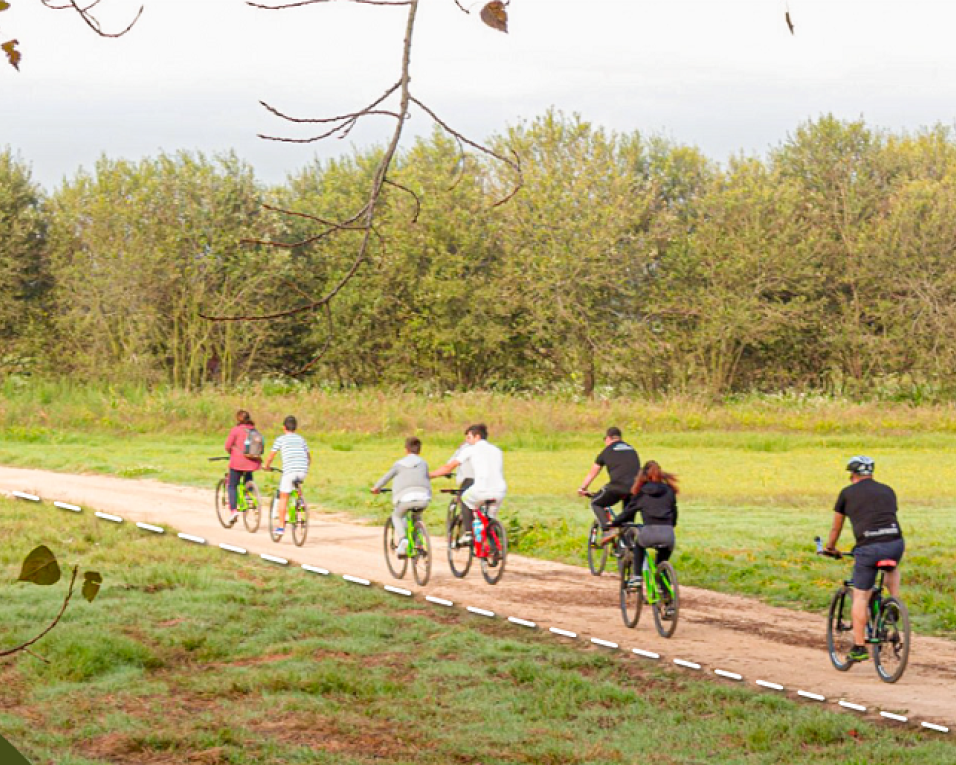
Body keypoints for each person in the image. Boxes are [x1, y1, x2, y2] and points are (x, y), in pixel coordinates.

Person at [824, 455, 905, 663]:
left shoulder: (846, 494)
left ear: (852, 474)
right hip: (895, 543)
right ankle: (893, 603)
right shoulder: (888, 490)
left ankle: (859, 647)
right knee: (891, 567)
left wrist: (830, 548)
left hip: (868, 548)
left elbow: (836, 527)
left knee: (860, 597)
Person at [602, 461, 678, 590]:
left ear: (642, 476)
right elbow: (674, 512)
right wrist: (671, 524)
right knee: (661, 564)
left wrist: (614, 523)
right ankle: (667, 599)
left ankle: (637, 577)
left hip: (649, 532)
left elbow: (628, 512)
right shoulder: (669, 491)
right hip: (668, 534)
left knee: (638, 546)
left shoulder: (642, 493)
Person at [430, 423, 506, 543]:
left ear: (477, 437)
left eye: (469, 437)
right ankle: (494, 546)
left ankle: (468, 533)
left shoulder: (470, 450)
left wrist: (430, 475)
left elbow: (448, 467)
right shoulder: (497, 450)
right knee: (489, 519)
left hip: (481, 489)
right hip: (500, 491)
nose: (467, 441)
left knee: (464, 498)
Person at [371, 436, 432, 558]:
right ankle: (419, 545)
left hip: (405, 498)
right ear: (419, 450)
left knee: (397, 515)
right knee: (417, 517)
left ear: (406, 450)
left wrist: (376, 488)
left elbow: (386, 477)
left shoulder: (398, 464)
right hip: (423, 497)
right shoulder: (424, 463)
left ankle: (403, 539)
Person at [577, 427, 640, 531]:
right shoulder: (631, 449)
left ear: (608, 438)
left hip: (617, 486)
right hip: (636, 488)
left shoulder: (607, 451)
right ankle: (628, 544)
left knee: (596, 503)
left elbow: (593, 473)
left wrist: (582, 488)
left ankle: (608, 529)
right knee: (628, 522)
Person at [263, 415, 311, 536]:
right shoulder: (301, 439)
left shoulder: (281, 439)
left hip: (289, 471)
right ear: (295, 427)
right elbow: (309, 457)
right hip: (303, 470)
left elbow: (271, 456)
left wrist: (266, 466)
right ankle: (299, 502)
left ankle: (281, 527)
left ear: (284, 427)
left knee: (284, 497)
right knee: (296, 485)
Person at [223, 409, 262, 526]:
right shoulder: (254, 431)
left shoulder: (236, 430)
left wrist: (232, 453)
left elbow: (227, 446)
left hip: (237, 463)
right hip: (252, 462)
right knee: (248, 479)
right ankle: (249, 495)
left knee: (232, 485)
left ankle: (234, 511)